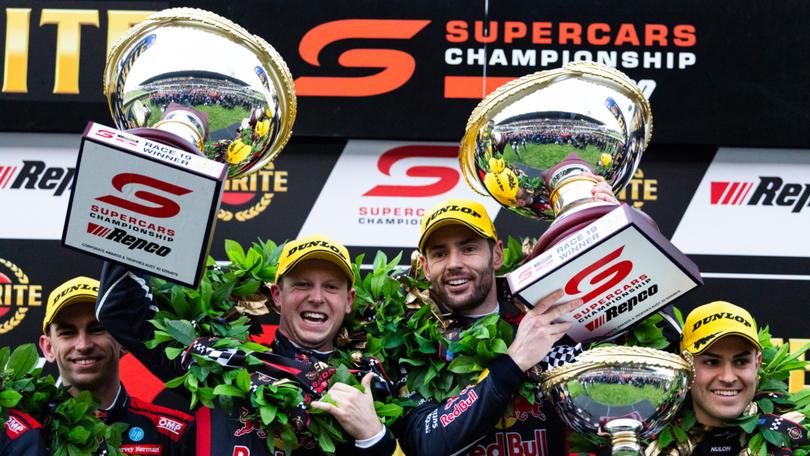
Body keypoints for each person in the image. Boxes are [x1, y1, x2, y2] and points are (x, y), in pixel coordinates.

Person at [96, 234, 397, 455]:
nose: (316, 297)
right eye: (302, 284)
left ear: (349, 300)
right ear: (277, 295)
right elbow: (121, 309)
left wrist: (373, 437)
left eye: (331, 287)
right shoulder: (219, 362)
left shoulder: (371, 386)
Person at [397, 198, 587, 456]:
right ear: (426, 267)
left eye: (469, 249)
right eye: (440, 253)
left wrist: (602, 216)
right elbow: (426, 443)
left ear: (496, 255)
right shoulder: (410, 345)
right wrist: (514, 361)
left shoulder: (547, 319)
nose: (454, 263)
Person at [39, 276, 195, 455]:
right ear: (48, 347)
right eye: (67, 333)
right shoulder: (28, 430)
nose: (83, 345)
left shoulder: (174, 434)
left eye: (96, 329)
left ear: (122, 341)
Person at [662, 300, 807, 456]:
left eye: (741, 361)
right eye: (711, 362)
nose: (728, 377)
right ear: (685, 365)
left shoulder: (795, 435)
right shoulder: (646, 438)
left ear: (757, 363)